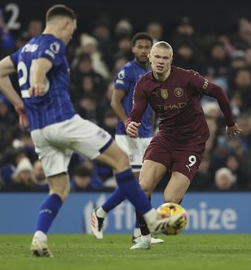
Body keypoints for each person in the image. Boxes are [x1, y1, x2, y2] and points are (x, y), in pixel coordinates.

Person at [0, 4, 183, 258]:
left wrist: (18, 104)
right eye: (72, 30)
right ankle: (150, 219)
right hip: (64, 122)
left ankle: (39, 236)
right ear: (65, 24)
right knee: (121, 160)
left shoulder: (25, 48)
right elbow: (41, 66)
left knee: (59, 189)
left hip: (39, 131)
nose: (71, 36)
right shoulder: (53, 43)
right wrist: (37, 79)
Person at [91, 41, 242, 250]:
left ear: (171, 60)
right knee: (143, 187)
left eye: (165, 58)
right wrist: (130, 123)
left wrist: (230, 122)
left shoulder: (187, 77)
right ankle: (143, 238)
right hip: (165, 137)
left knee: (170, 199)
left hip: (192, 141)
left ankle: (158, 222)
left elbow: (218, 92)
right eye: (157, 57)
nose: (161, 61)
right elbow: (136, 112)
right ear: (150, 58)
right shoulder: (143, 84)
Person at [109, 32, 162, 244]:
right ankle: (103, 212)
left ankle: (140, 232)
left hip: (146, 134)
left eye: (147, 47)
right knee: (139, 183)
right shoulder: (128, 71)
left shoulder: (152, 73)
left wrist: (155, 127)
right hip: (127, 135)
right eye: (139, 47)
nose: (143, 50)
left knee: (146, 183)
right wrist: (127, 122)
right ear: (133, 49)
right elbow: (115, 101)